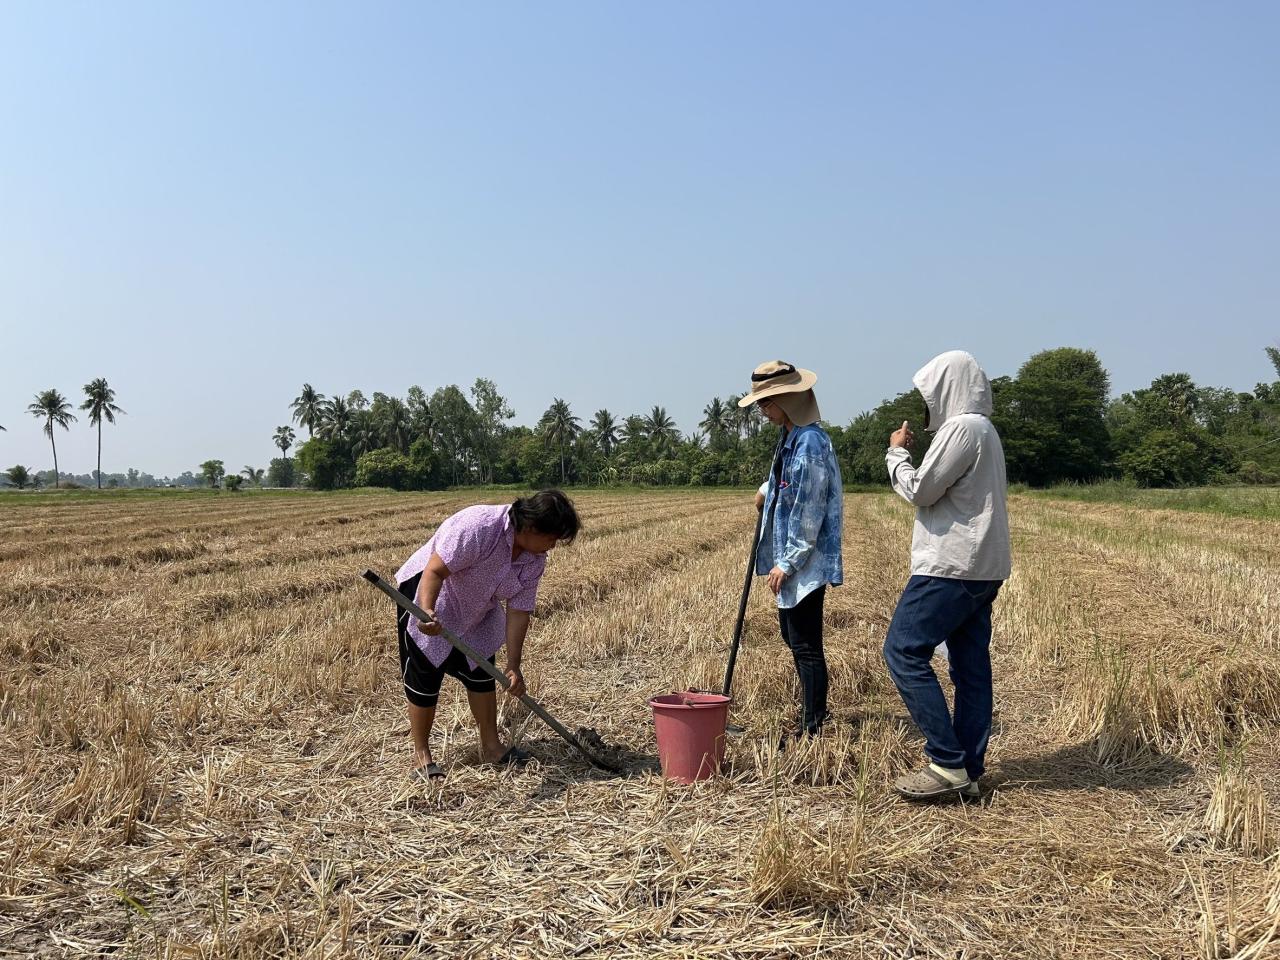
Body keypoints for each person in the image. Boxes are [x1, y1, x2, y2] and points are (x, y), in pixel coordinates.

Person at [882, 351, 1011, 799]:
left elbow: (921, 490)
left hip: (950, 566)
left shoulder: (961, 429)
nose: (927, 401)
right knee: (971, 667)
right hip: (982, 568)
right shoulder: (985, 430)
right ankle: (969, 770)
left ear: (947, 388)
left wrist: (896, 454)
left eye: (930, 392)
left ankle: (947, 761)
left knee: (903, 651)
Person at [394, 490, 581, 781]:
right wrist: (427, 611)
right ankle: (422, 756)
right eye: (551, 538)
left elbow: (519, 610)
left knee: (481, 671)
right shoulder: (479, 526)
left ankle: (492, 747)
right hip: (432, 593)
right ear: (531, 528)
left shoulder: (535, 559)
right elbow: (435, 570)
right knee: (426, 672)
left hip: (480, 605)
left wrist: (514, 665)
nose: (552, 547)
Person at [737, 361, 843, 745]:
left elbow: (809, 508)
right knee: (792, 635)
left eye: (766, 403)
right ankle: (814, 711)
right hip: (793, 556)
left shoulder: (811, 442)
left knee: (805, 643)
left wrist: (788, 561)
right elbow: (784, 476)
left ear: (787, 399)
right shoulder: (791, 436)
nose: (763, 410)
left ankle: (814, 723)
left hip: (805, 561)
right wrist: (767, 489)